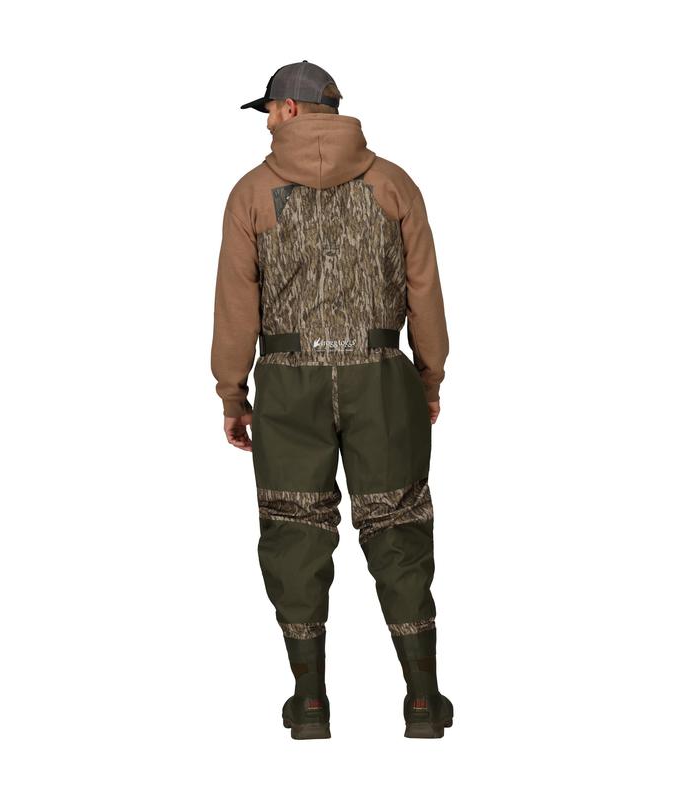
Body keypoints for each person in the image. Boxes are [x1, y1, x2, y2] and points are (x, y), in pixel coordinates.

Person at [211, 60, 453, 739]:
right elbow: (425, 289)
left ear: (290, 109)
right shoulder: (394, 184)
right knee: (398, 528)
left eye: (268, 109)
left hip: (289, 380)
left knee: (295, 531)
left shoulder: (251, 193)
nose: (266, 121)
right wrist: (428, 378)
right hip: (381, 375)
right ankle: (423, 700)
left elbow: (236, 302)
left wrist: (232, 391)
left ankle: (310, 702)